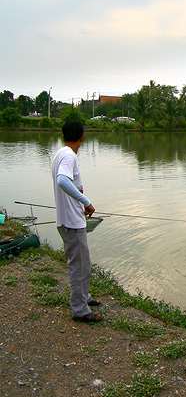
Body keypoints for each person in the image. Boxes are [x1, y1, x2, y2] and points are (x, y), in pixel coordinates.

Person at [51, 120, 102, 323]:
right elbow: (62, 180)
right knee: (78, 266)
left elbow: (67, 185)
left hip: (72, 219)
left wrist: (79, 204)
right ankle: (79, 309)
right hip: (71, 223)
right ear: (82, 137)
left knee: (83, 263)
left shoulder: (60, 154)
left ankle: (84, 297)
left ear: (63, 136)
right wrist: (86, 201)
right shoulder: (69, 156)